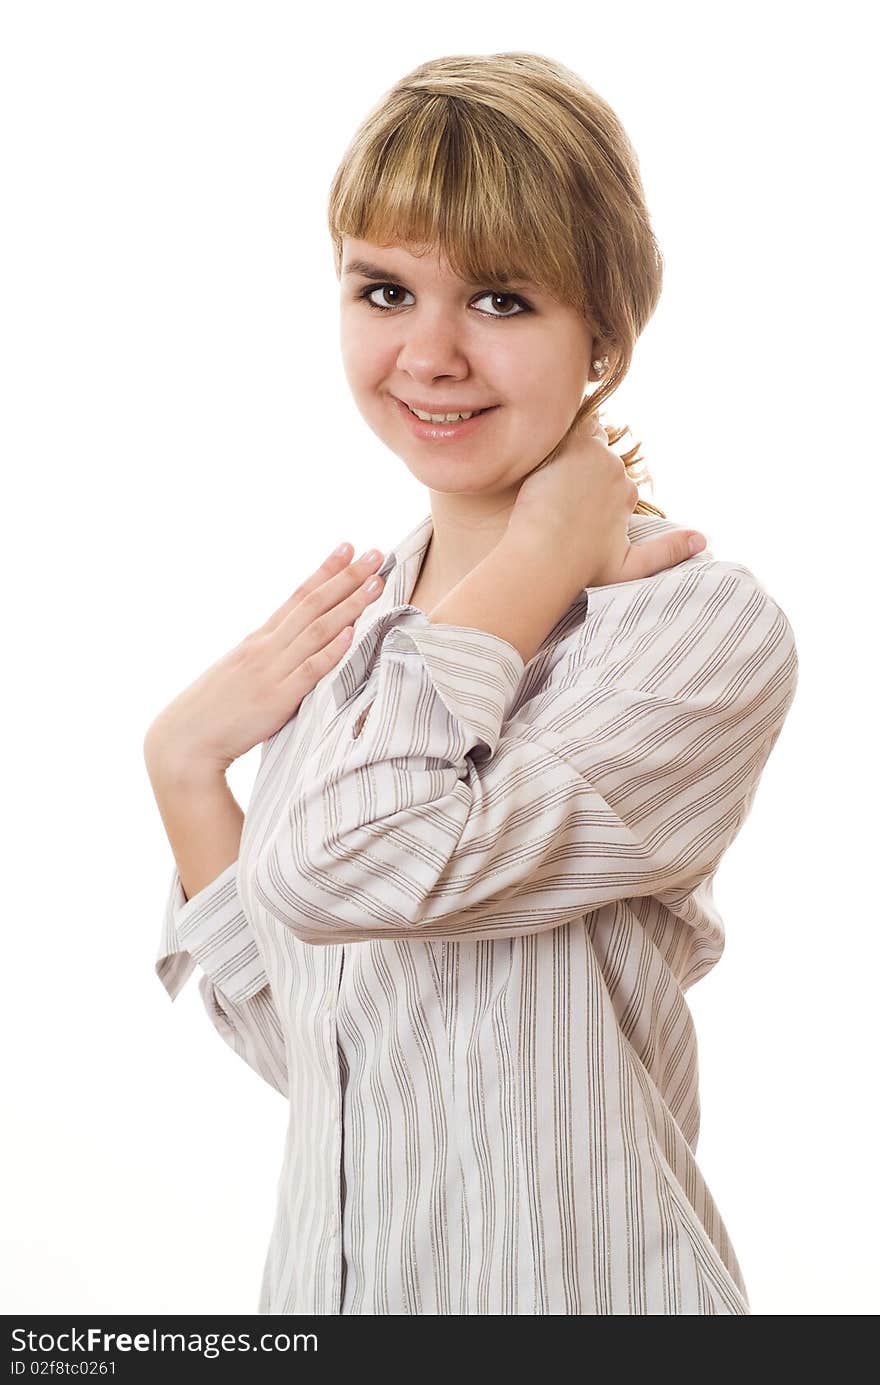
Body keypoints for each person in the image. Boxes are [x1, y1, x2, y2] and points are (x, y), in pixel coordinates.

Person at [145, 52, 798, 1315]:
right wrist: (184, 768)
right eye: (385, 289)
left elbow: (346, 864)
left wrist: (551, 548)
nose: (429, 354)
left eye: (500, 300)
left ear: (604, 333)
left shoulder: (691, 628)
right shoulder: (361, 624)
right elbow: (334, 1059)